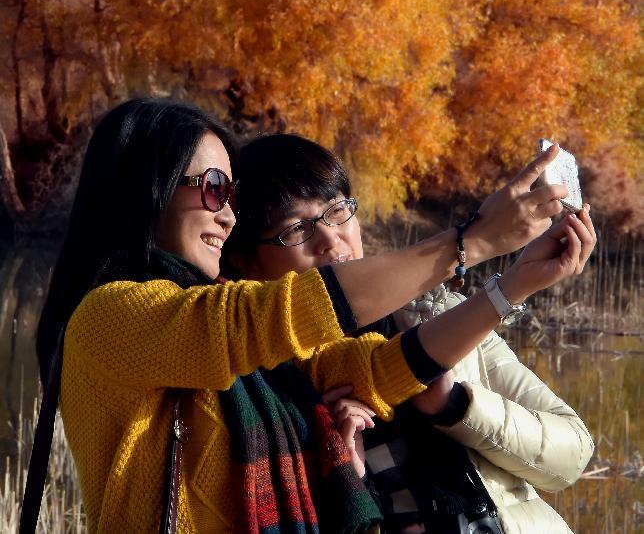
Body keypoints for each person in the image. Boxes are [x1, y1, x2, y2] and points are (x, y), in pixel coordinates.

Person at [34, 99, 595, 533]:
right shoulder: (111, 317)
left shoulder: (248, 344)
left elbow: (373, 369)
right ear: (145, 192)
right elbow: (275, 315)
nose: (227, 215)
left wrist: (512, 284)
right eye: (212, 188)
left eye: (231, 194)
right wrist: (469, 241)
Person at [223, 133, 595, 534]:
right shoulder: (264, 389)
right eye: (297, 229)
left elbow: (571, 455)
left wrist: (456, 405)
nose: (331, 239)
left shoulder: (434, 315)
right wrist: (351, 480)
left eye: (337, 212)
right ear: (249, 264)